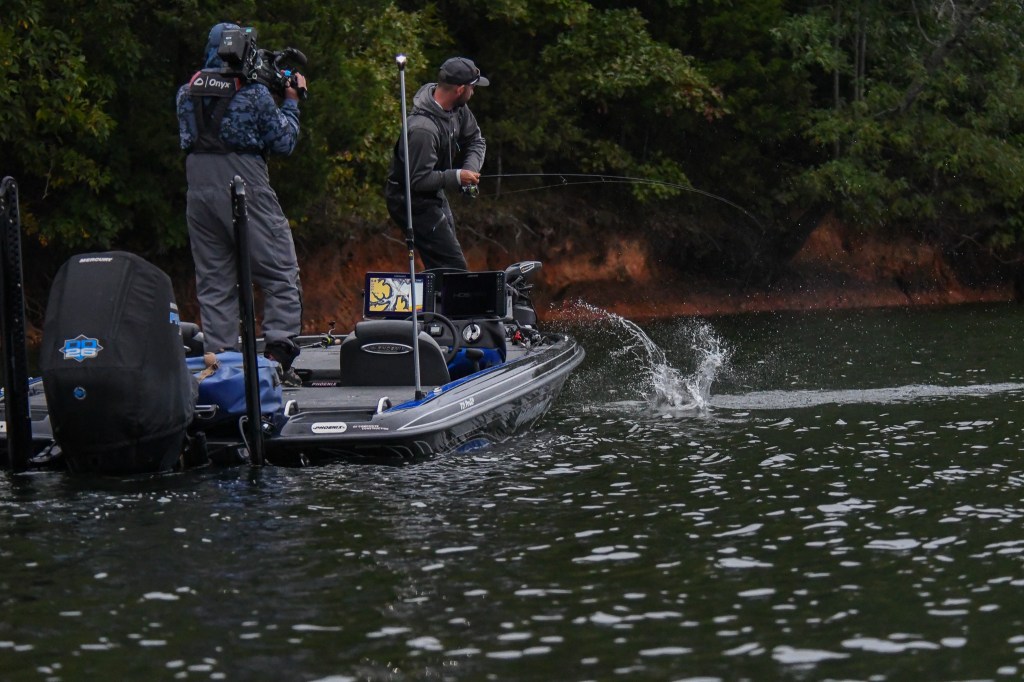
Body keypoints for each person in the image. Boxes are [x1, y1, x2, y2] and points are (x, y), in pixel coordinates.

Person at [176, 22, 306, 383]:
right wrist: (291, 102)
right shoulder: (254, 94)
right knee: (279, 270)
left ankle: (222, 366)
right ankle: (278, 357)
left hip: (198, 187)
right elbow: (283, 142)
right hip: (243, 182)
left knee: (215, 280)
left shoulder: (186, 92)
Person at [385, 57, 489, 271]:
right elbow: (419, 180)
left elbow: (475, 140)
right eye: (472, 87)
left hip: (433, 193)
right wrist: (458, 177)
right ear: (460, 89)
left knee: (448, 263)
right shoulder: (423, 129)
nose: (473, 92)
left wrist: (469, 171)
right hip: (409, 200)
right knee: (453, 267)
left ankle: (439, 290)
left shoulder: (457, 109)